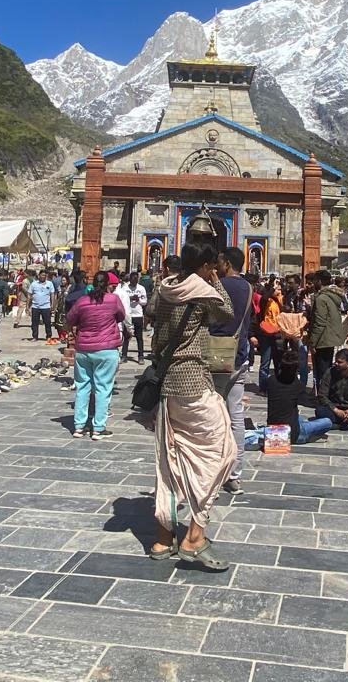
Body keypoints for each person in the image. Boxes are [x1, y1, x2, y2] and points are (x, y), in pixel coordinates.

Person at [145, 242, 234, 573]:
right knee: (221, 452)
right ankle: (195, 535)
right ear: (207, 264)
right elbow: (226, 312)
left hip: (168, 383)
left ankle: (162, 539)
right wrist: (215, 278)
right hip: (193, 381)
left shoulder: (165, 286)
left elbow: (154, 312)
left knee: (169, 460)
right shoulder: (200, 289)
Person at [210, 247, 254, 494]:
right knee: (235, 417)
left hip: (214, 356)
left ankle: (213, 470)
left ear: (226, 263)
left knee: (211, 416)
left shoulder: (216, 286)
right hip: (238, 355)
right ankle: (235, 474)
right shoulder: (248, 288)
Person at [66, 270, 126, 439]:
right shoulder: (113, 300)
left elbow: (70, 319)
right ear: (107, 284)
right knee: (103, 388)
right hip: (107, 349)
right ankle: (98, 428)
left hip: (84, 349)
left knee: (82, 387)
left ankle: (79, 426)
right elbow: (121, 316)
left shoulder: (82, 301)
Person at [266, 359, 332, 444]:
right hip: (294, 434)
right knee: (327, 422)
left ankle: (306, 425)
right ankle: (308, 433)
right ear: (295, 371)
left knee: (299, 417)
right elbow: (309, 402)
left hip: (273, 429)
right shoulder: (297, 385)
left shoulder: (271, 380)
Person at [305, 269, 346, 390]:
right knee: (327, 370)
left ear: (319, 281)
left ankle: (323, 399)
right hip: (330, 337)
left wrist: (312, 341)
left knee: (322, 372)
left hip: (322, 339)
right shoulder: (333, 296)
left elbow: (319, 323)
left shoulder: (321, 298)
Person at [117, 270, 148, 362]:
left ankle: (141, 355)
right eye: (132, 280)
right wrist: (129, 298)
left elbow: (144, 302)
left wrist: (138, 300)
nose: (134, 282)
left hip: (138, 314)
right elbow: (121, 299)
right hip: (128, 314)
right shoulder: (125, 288)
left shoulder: (141, 288)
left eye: (136, 280)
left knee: (139, 336)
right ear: (129, 279)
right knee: (127, 336)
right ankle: (124, 355)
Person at [29, 269, 56, 342]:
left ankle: (49, 336)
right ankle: (35, 336)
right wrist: (28, 306)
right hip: (35, 306)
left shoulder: (49, 284)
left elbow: (52, 294)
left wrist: (53, 304)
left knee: (47, 322)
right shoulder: (34, 284)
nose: (43, 276)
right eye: (42, 275)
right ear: (39, 276)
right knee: (34, 323)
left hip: (46, 306)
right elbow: (30, 295)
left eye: (45, 275)